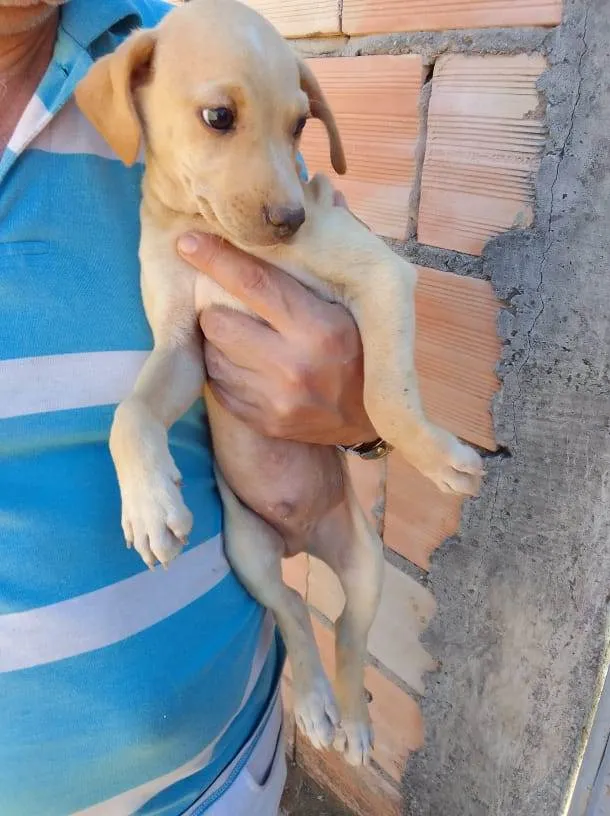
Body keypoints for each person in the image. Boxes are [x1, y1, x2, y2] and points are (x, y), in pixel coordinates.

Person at [0, 1, 383, 814]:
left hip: (220, 781)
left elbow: (325, 338)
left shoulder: (183, 48)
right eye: (221, 121)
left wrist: (360, 415)